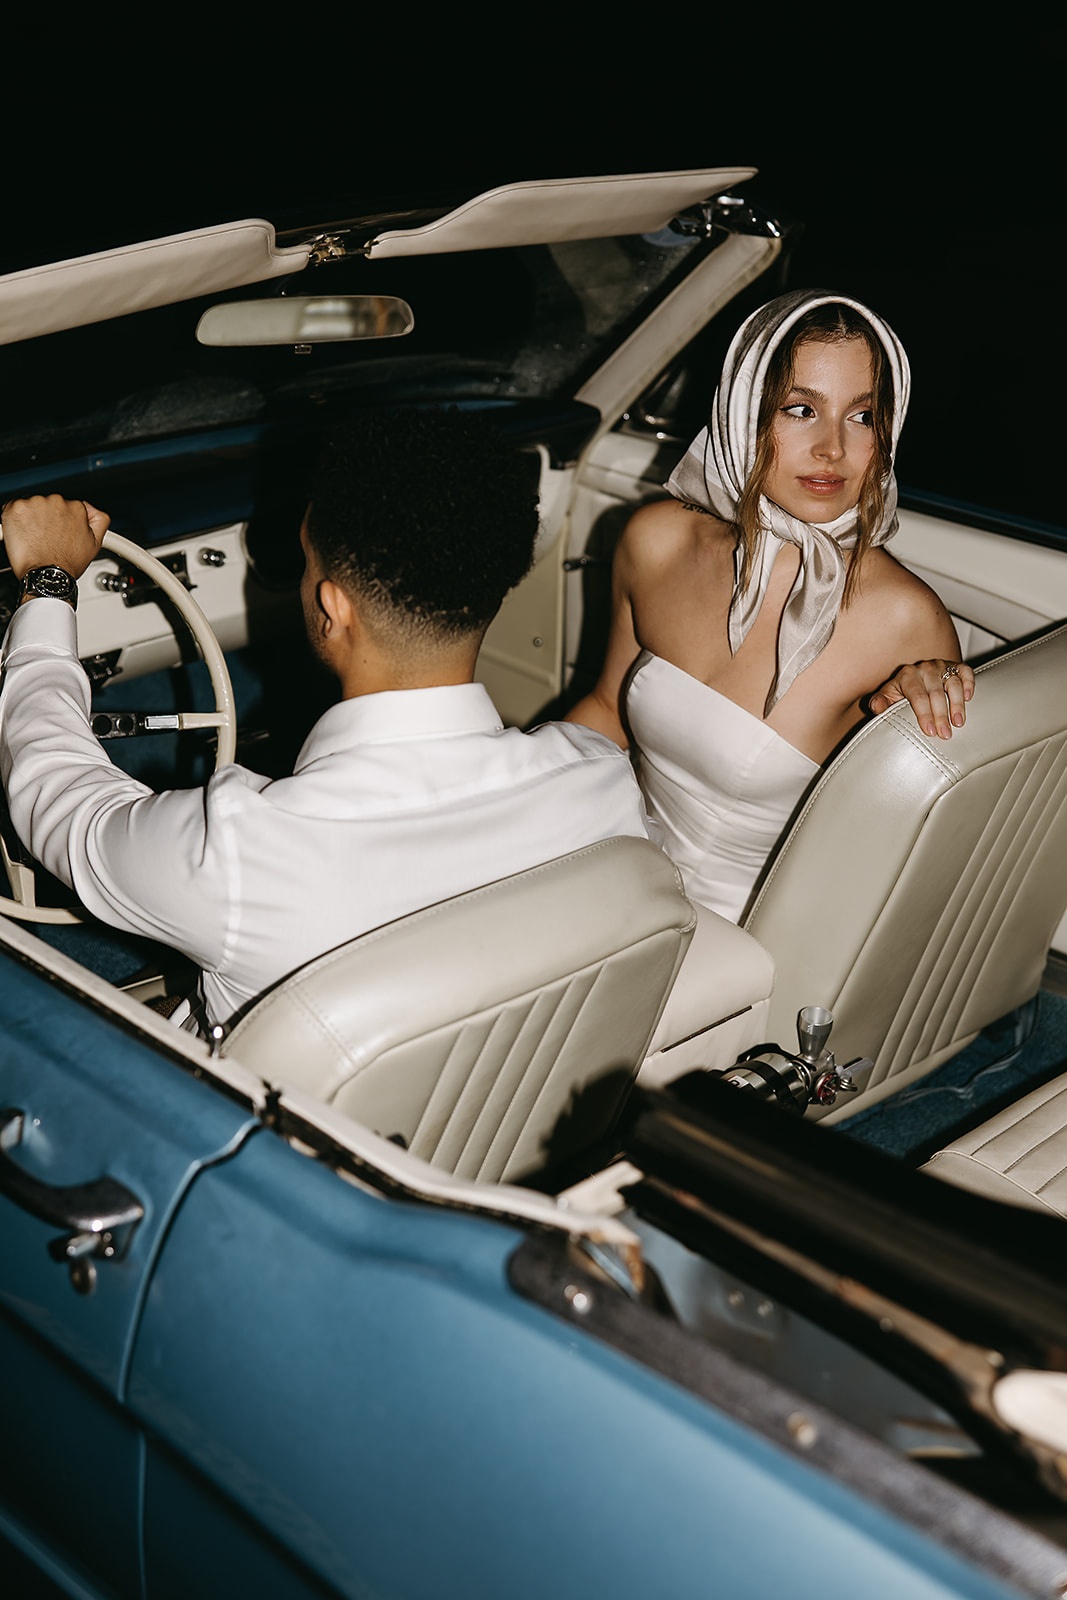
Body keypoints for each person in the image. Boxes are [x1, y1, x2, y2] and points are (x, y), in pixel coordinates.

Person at [0, 408, 651, 1030]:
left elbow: (54, 796)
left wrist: (48, 582)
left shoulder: (238, 854)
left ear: (330, 607)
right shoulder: (598, 783)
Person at [567, 288, 976, 923]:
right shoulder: (657, 540)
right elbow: (604, 712)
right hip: (623, 878)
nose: (832, 448)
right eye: (799, 409)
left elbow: (916, 862)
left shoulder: (906, 620)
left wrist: (900, 729)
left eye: (862, 417)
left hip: (769, 942)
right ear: (740, 414)